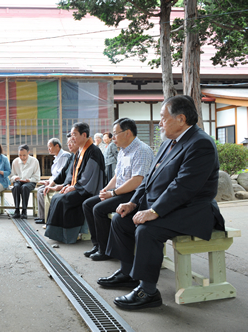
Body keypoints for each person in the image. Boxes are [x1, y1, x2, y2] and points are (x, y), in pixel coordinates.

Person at [98, 95, 225, 310]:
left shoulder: (200, 143)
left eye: (163, 118)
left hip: (193, 210)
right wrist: (134, 203)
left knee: (147, 230)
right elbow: (148, 179)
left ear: (181, 119)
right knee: (122, 218)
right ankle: (127, 272)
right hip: (168, 206)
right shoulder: (169, 143)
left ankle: (148, 292)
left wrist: (154, 211)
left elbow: (183, 187)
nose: (159, 123)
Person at [82, 118, 153, 261]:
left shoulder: (141, 150)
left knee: (99, 209)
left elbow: (137, 181)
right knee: (88, 204)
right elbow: (117, 176)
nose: (112, 137)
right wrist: (106, 189)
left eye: (115, 133)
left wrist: (113, 193)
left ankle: (106, 250)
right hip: (121, 191)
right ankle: (98, 244)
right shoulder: (122, 151)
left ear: (127, 133)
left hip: (135, 195)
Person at [44, 122, 105, 244]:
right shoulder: (79, 152)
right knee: (57, 198)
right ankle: (59, 234)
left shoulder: (94, 151)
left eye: (74, 134)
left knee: (65, 199)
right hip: (79, 186)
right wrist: (67, 185)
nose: (72, 138)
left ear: (84, 135)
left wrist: (74, 187)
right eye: (71, 135)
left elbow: (89, 176)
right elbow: (71, 174)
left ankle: (71, 234)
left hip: (88, 189)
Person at [34, 138, 71, 224]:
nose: (48, 149)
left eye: (50, 146)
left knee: (42, 191)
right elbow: (55, 175)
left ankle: (46, 217)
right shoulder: (57, 157)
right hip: (55, 182)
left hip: (61, 183)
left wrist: (51, 183)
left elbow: (61, 174)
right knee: (40, 190)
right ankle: (43, 217)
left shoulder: (65, 156)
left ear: (57, 146)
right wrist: (48, 181)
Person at [10, 144, 41, 219]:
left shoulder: (34, 161)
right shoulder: (15, 161)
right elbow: (11, 176)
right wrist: (15, 177)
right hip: (19, 181)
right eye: (20, 155)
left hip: (30, 181)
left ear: (28, 153)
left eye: (24, 155)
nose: (22, 157)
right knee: (16, 187)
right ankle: (17, 210)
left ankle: (24, 211)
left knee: (24, 187)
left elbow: (37, 177)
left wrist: (29, 180)